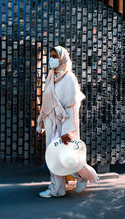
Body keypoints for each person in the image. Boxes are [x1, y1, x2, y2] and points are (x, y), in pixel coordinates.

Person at [36, 46, 88, 198]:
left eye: (55, 56)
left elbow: (72, 107)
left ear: (63, 58)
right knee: (54, 156)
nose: (52, 59)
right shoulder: (51, 76)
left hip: (63, 125)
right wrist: (41, 123)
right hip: (51, 121)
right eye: (51, 56)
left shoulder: (70, 79)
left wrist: (66, 130)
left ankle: (81, 177)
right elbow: (46, 102)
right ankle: (58, 188)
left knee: (64, 155)